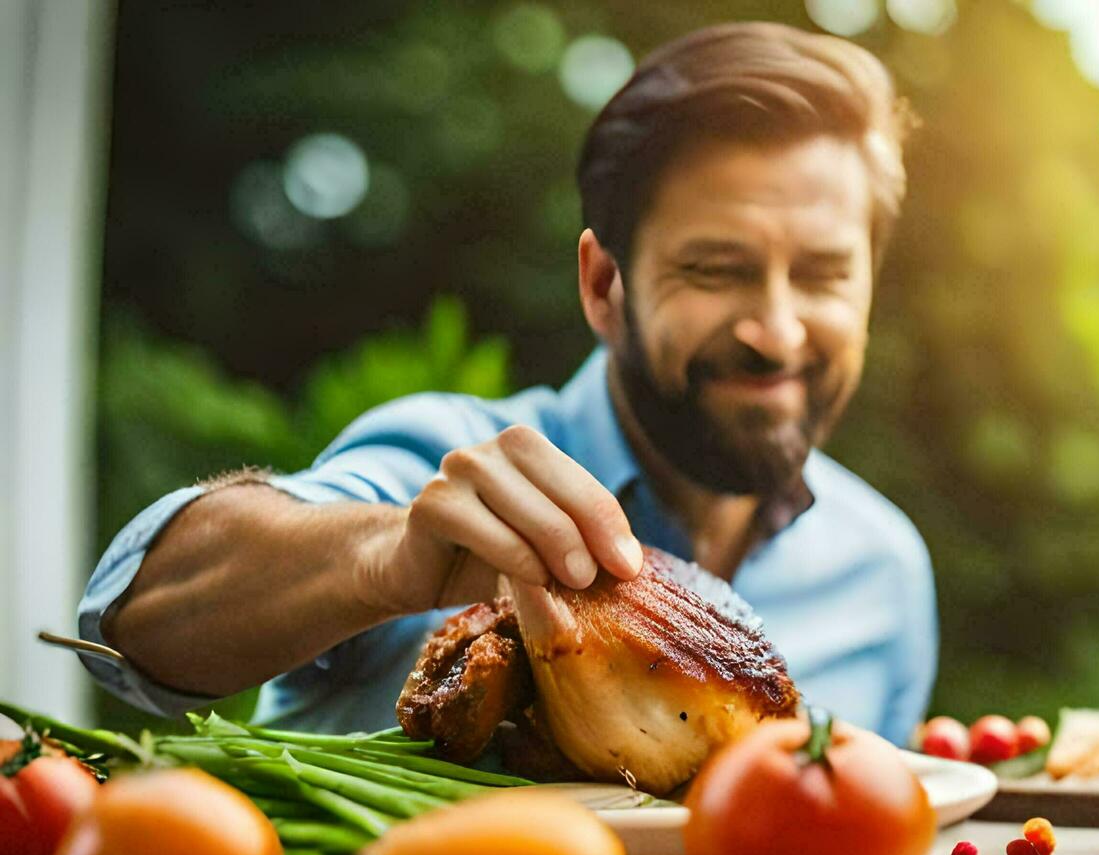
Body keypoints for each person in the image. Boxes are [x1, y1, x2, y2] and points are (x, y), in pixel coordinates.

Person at [77, 22, 937, 746]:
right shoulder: (443, 470)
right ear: (604, 285)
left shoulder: (884, 575)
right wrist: (383, 558)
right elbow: (131, 624)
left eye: (824, 274)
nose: (776, 330)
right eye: (716, 270)